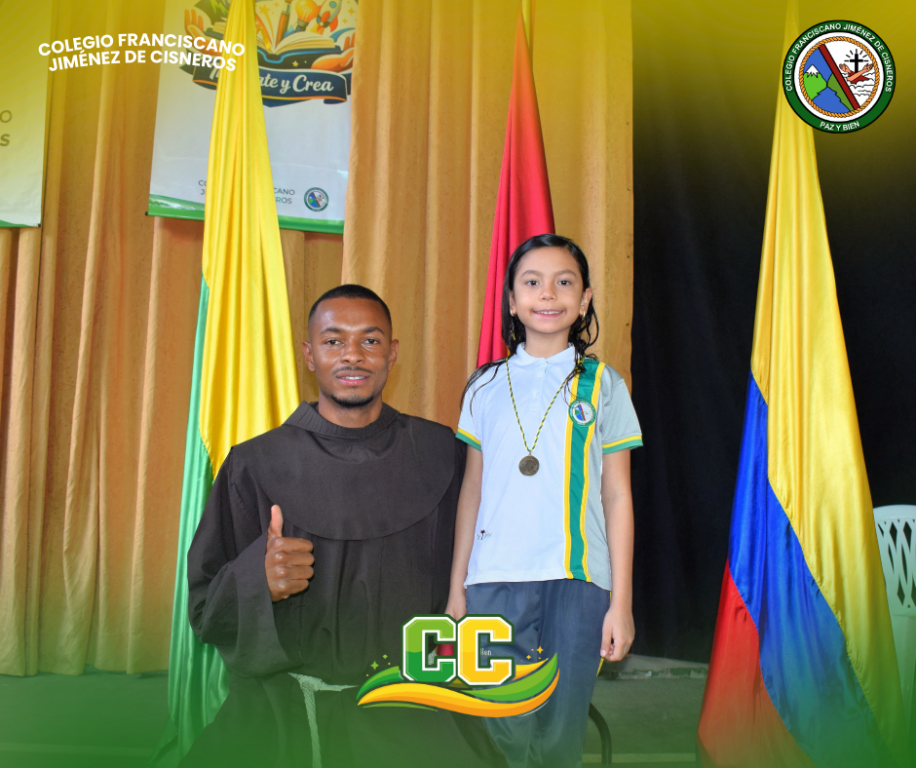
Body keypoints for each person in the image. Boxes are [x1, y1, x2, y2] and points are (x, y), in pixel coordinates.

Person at [181, 284, 505, 768]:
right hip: (289, 710)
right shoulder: (255, 464)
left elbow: (493, 567)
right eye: (333, 341)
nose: (352, 355)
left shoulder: (444, 453)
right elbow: (205, 610)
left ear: (392, 354)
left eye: (370, 341)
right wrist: (256, 580)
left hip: (415, 706)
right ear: (309, 355)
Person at [446, 234, 643, 768]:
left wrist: (621, 603)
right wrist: (457, 586)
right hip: (493, 579)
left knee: (560, 733)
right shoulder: (484, 387)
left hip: (577, 581)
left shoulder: (605, 385)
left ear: (584, 300)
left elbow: (618, 495)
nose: (548, 293)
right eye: (532, 282)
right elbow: (472, 490)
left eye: (564, 282)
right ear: (512, 300)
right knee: (500, 728)